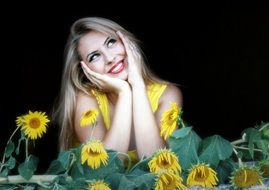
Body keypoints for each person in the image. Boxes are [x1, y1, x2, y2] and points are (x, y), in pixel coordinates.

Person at [55, 17, 183, 160]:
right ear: (83, 70)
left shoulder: (167, 95)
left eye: (111, 42)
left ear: (126, 41)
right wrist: (124, 93)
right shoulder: (86, 99)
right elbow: (105, 171)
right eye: (94, 56)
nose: (109, 58)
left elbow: (161, 169)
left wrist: (138, 86)